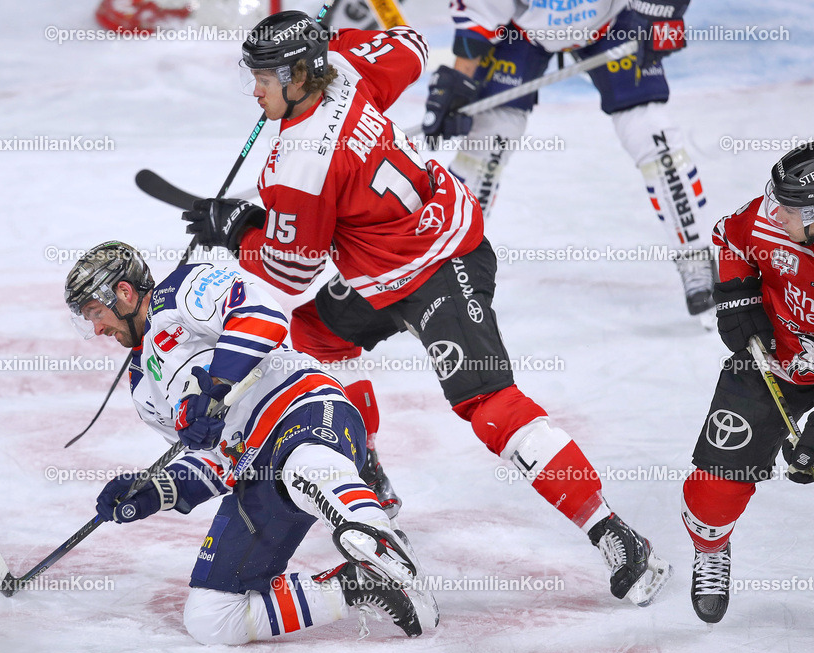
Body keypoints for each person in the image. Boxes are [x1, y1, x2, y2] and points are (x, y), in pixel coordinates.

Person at [181, 10, 670, 605]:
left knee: (490, 407)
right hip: (382, 266)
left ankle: (612, 531)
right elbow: (409, 43)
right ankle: (367, 474)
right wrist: (337, 46)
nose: (254, 90)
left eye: (264, 76)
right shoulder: (345, 68)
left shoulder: (300, 163)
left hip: (444, 264)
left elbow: (289, 273)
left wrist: (243, 232)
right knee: (309, 345)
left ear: (299, 74)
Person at [64, 241, 439, 644]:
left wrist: (216, 387)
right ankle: (359, 584)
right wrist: (155, 491)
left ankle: (382, 543)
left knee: (305, 464)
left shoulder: (179, 291)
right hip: (253, 467)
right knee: (211, 619)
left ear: (123, 292)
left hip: (300, 409)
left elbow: (261, 317)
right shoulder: (142, 389)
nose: (98, 329)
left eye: (95, 313)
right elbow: (215, 461)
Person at [421, 0, 715, 318]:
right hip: (525, 31)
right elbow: (481, 14)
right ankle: (450, 263)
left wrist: (660, 15)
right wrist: (461, 79)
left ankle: (695, 256)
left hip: (611, 21)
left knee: (653, 135)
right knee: (490, 137)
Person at [681, 144, 814, 623]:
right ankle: (712, 548)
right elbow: (729, 237)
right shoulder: (766, 222)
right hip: (772, 364)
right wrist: (737, 296)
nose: (773, 213)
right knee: (714, 487)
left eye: (789, 209)